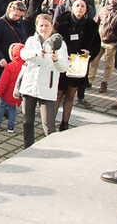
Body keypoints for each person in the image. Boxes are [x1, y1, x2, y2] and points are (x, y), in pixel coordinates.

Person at [20, 14, 69, 148]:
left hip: (47, 88)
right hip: (29, 86)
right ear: (36, 27)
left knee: (48, 125)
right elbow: (23, 54)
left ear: (52, 26)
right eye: (41, 25)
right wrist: (35, 53)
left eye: (47, 25)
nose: (44, 28)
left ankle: (50, 150)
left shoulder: (59, 43)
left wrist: (56, 59)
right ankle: (27, 148)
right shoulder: (31, 40)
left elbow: (64, 67)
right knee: (27, 122)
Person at [54, 0, 101, 130]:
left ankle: (65, 123)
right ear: (71, 7)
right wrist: (62, 53)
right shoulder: (62, 23)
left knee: (70, 95)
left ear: (86, 9)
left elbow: (97, 45)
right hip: (64, 62)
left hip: (79, 64)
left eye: (82, 6)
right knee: (58, 93)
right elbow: (54, 41)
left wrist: (89, 52)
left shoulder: (91, 26)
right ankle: (51, 121)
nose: (79, 8)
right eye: (77, 6)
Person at [0, 1, 26, 119]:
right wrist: (0, 58)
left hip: (14, 61)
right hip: (0, 60)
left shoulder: (20, 22)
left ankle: (5, 107)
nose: (17, 18)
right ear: (9, 10)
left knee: (11, 86)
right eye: (15, 15)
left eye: (19, 16)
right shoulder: (0, 23)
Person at [89, 0, 117, 94]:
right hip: (100, 39)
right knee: (94, 61)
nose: (112, 0)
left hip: (112, 42)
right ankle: (89, 80)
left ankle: (104, 82)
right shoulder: (104, 9)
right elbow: (96, 23)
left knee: (108, 64)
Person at [0, 43, 25, 133]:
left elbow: (3, 82)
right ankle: (11, 126)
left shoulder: (9, 66)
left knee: (2, 107)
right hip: (16, 93)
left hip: (7, 93)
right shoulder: (25, 67)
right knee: (13, 109)